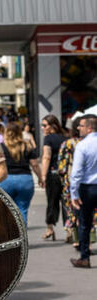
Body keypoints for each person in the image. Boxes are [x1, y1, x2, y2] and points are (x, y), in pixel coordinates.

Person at [0, 121, 42, 224]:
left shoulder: (1, 147)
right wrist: (40, 177)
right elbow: (34, 164)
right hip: (25, 180)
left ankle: (9, 237)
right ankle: (22, 238)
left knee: (6, 211)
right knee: (22, 210)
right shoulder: (27, 146)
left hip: (6, 179)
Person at [70, 115, 97, 268]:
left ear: (89, 127)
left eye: (80, 125)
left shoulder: (83, 145)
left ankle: (85, 257)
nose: (78, 128)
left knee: (85, 224)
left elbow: (76, 173)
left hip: (87, 188)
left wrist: (74, 193)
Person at [41, 114, 68, 241]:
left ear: (53, 126)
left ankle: (50, 228)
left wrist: (43, 175)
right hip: (65, 174)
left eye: (44, 125)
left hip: (52, 174)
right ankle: (69, 231)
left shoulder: (48, 139)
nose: (42, 128)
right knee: (66, 203)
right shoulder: (65, 138)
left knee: (52, 201)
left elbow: (46, 156)